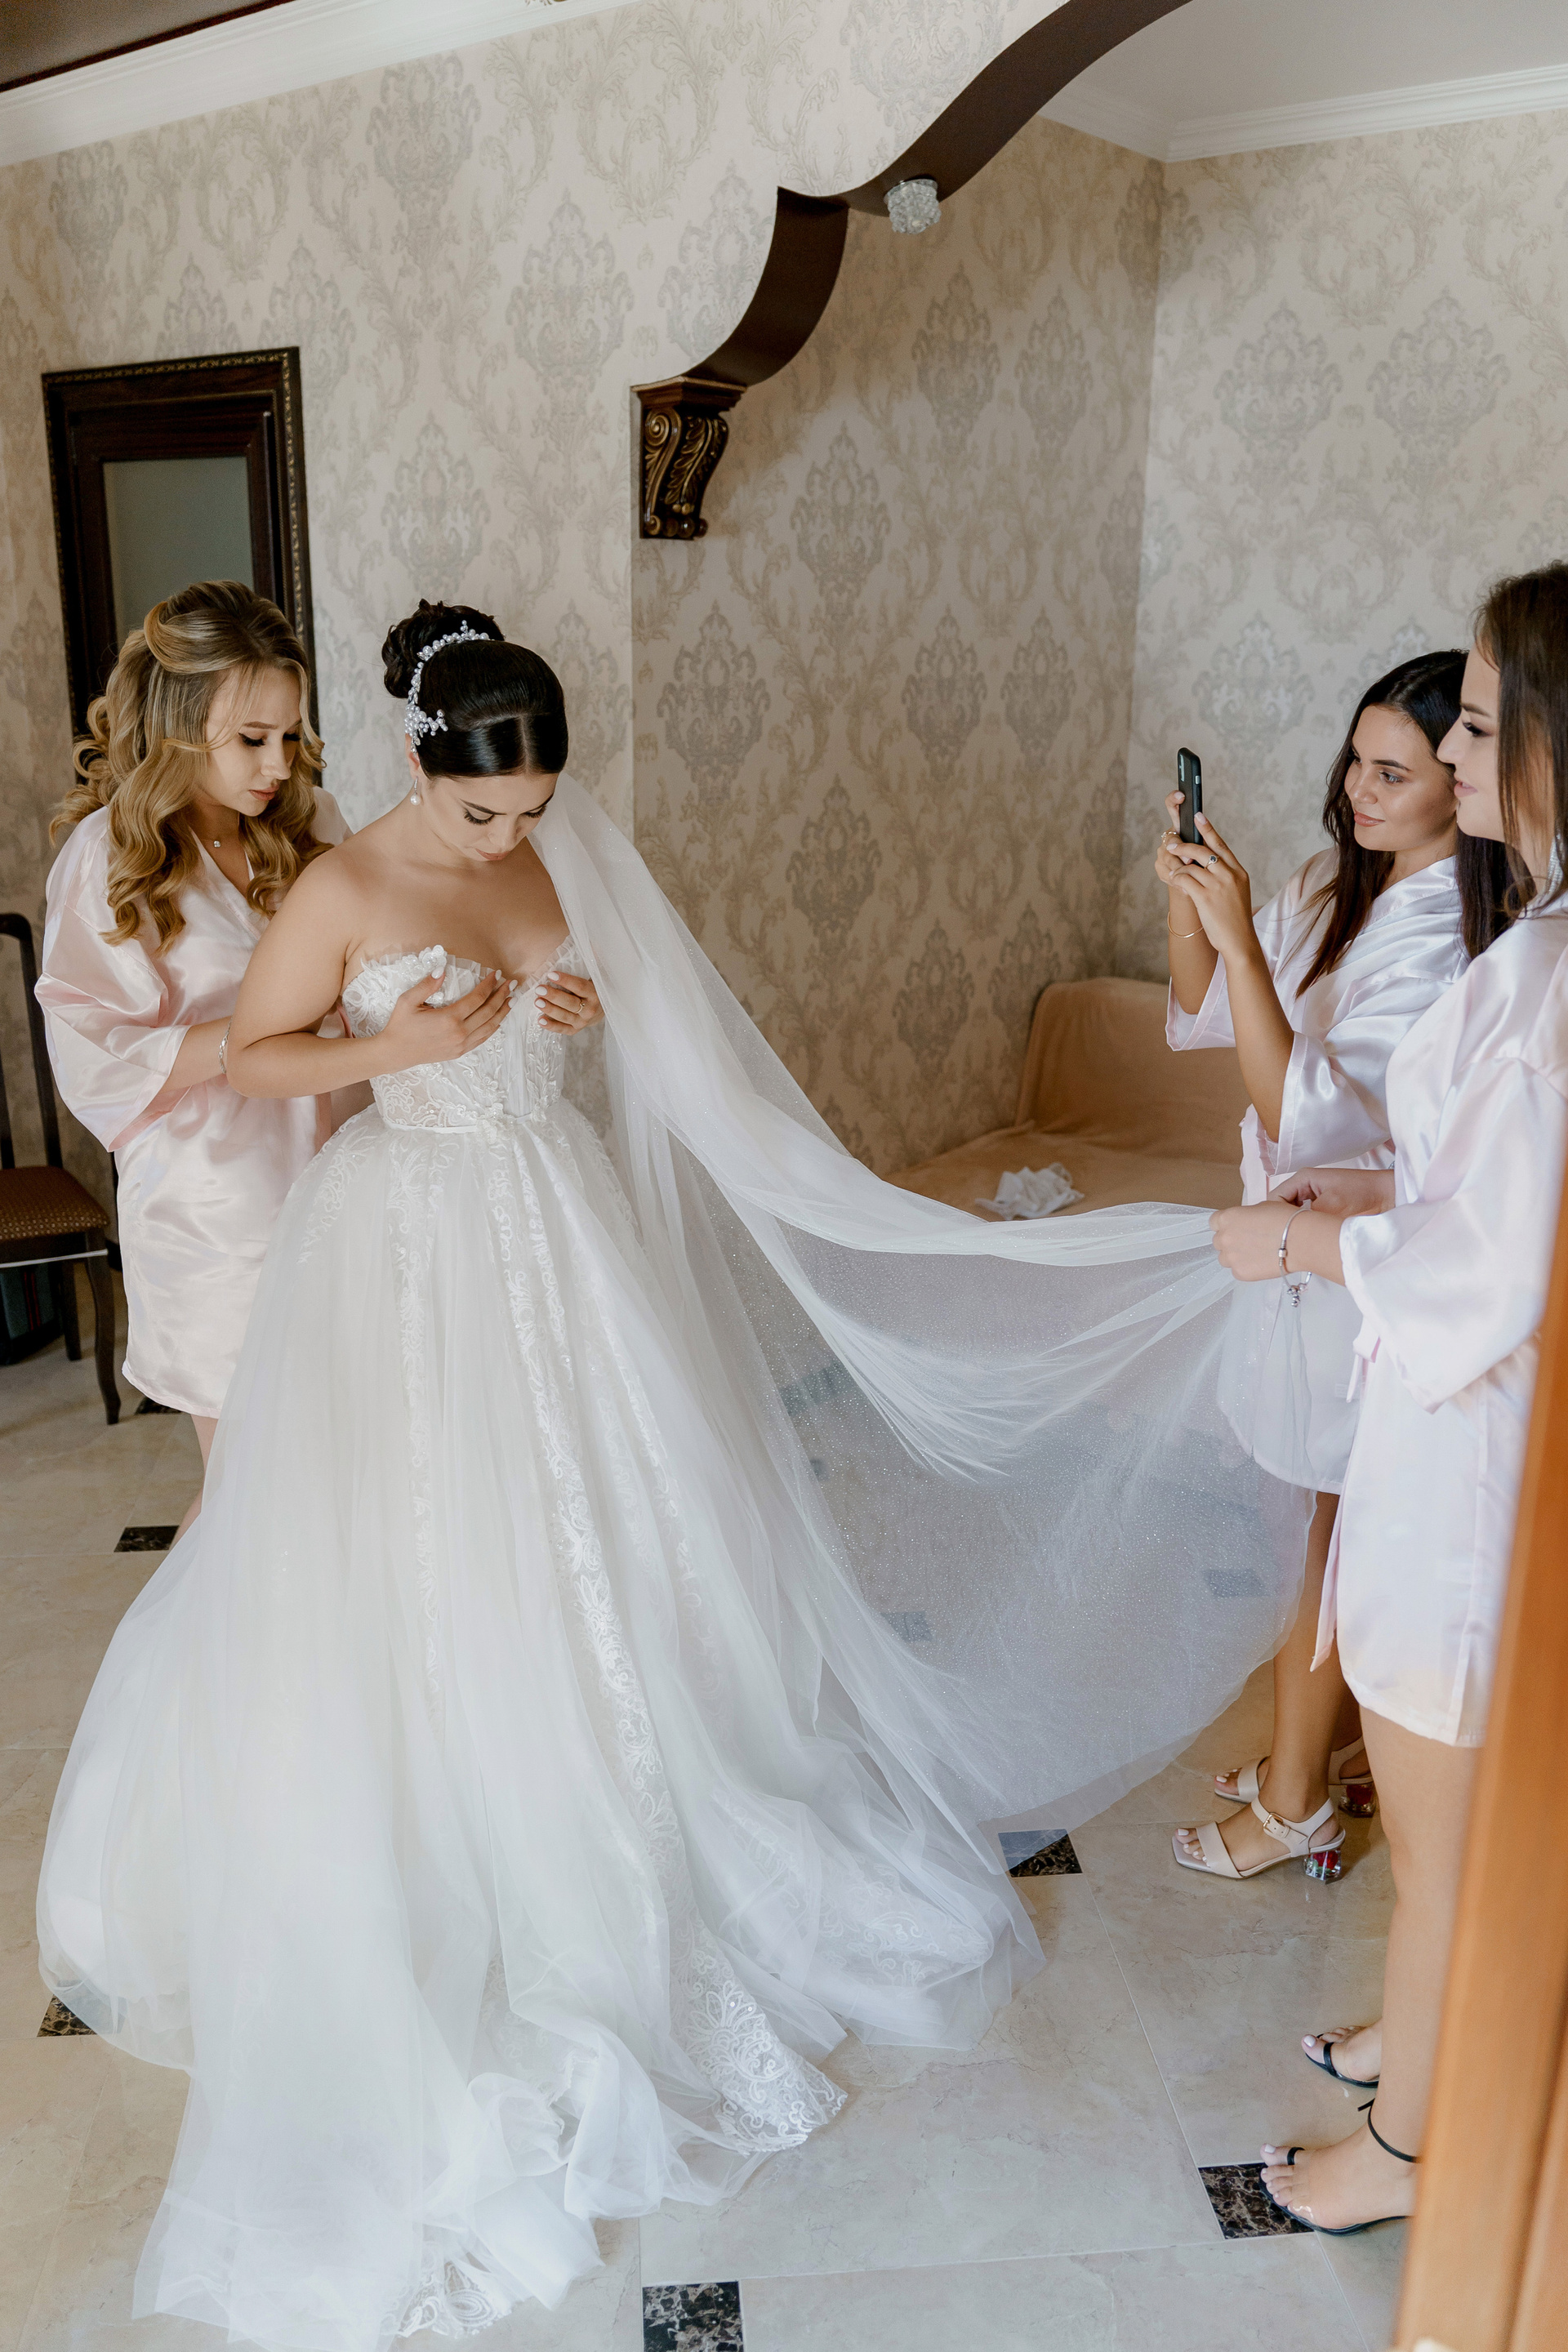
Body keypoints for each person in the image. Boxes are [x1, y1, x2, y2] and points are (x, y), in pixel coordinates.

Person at [38, 602, 1312, 2344]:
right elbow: (259, 1059)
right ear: (419, 761)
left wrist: (557, 1011)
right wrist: (406, 1049)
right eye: (483, 810)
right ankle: (420, 1836)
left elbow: (602, 1034)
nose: (514, 835)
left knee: (601, 1536)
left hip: (552, 1236)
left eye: (535, 808)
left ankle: (620, 1802)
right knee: (399, 1552)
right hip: (402, 1245)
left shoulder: (536, 857)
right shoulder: (339, 885)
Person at [1209, 563, 1568, 2233]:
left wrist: (1309, 1247)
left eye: (1478, 726)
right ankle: (1418, 2046)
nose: (1453, 756)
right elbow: (1473, 1194)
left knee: (1442, 1843)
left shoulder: (1541, 981)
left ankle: (1412, 2157)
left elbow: (1488, 1275)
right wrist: (1364, 1203)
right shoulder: (1537, 944)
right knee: (1445, 1827)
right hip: (1451, 1407)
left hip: (1468, 1430)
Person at [1157, 656, 1508, 1882]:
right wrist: (1189, 901)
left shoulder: (1455, 940)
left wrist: (1243, 948)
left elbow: (1301, 1115)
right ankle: (1321, 1750)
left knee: (1331, 1530)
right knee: (1314, 1516)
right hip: (1293, 1240)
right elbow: (1204, 1010)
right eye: (1357, 761)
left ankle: (1296, 1798)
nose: (1361, 790)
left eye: (1394, 773)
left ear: (1458, 783)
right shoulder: (1329, 882)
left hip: (1355, 1253)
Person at [37, 581, 349, 1523]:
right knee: (249, 1495)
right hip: (212, 1204)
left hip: (338, 1176)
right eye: (250, 739)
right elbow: (93, 1050)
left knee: (342, 1468)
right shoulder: (111, 857)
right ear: (179, 726)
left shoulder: (312, 828)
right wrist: (254, 1037)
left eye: (289, 735)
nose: (277, 763)